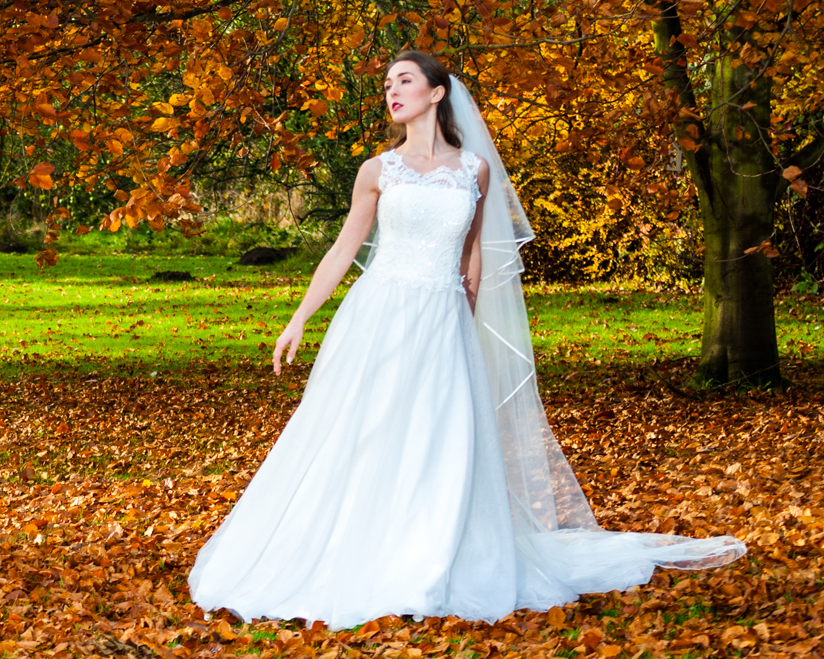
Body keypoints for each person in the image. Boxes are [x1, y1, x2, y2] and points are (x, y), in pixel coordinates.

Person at [187, 51, 745, 628]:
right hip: (379, 316)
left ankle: (430, 555)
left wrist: (467, 322)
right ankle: (352, 551)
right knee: (363, 431)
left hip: (444, 322)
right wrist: (300, 317)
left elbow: (473, 256)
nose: (392, 92)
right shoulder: (378, 171)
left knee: (439, 437)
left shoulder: (473, 170)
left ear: (436, 94)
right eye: (386, 85)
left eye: (404, 81)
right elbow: (343, 249)